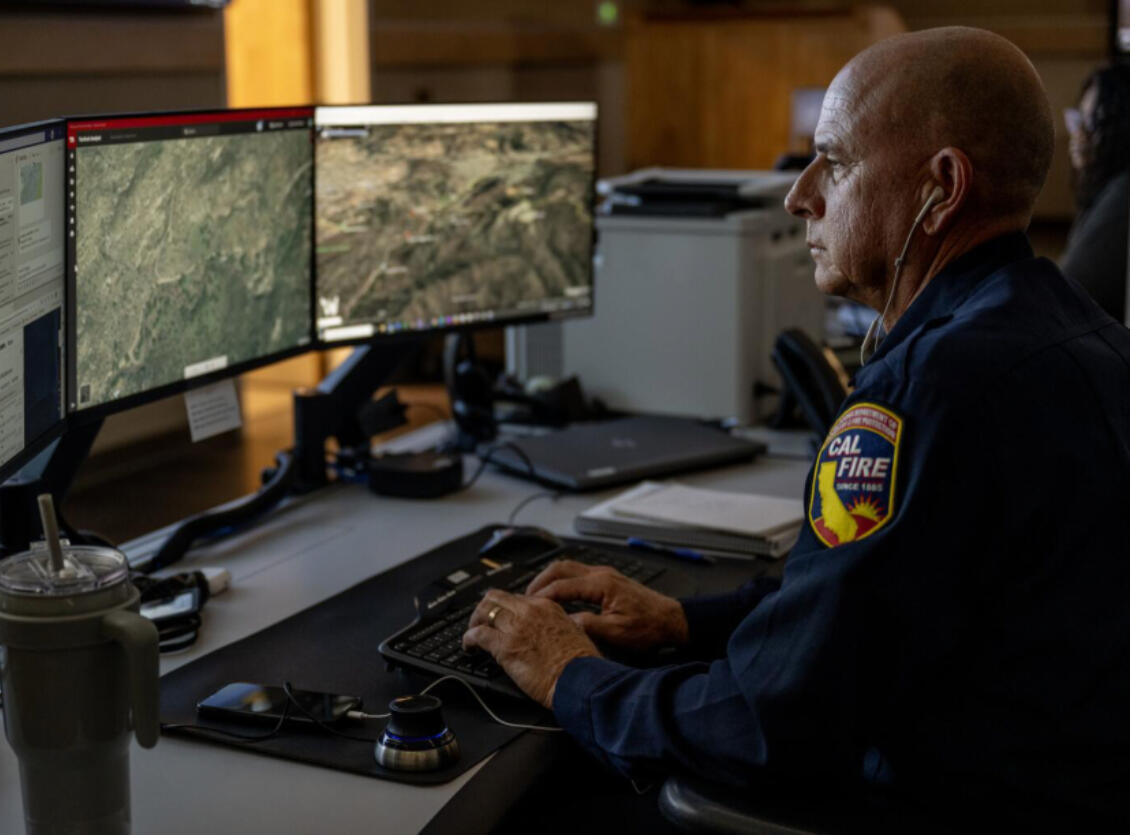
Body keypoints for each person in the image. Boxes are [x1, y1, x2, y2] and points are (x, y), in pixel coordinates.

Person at [462, 27, 1130, 830]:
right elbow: (881, 605)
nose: (799, 193)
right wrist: (683, 620)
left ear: (941, 186)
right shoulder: (1079, 331)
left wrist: (569, 671)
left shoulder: (928, 390)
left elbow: (764, 724)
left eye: (835, 162)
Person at [1060, 63, 1130, 322]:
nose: (1079, 134)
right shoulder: (1103, 189)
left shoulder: (1123, 194)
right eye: (1077, 120)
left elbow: (1069, 290)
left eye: (1092, 122)